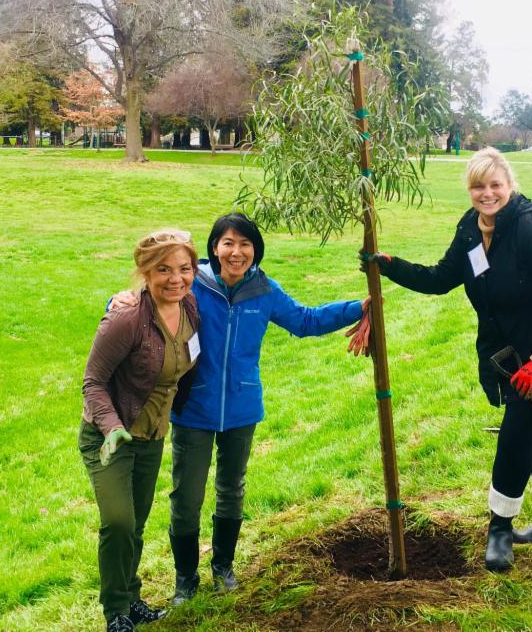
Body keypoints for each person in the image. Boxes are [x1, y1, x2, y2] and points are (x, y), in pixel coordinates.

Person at [361, 147, 532, 572]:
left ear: (510, 185)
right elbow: (441, 278)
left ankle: (500, 529)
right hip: (512, 354)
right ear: (469, 189)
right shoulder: (471, 229)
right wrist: (390, 266)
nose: (487, 194)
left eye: (495, 185)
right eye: (478, 186)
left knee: (515, 436)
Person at [113, 212, 369, 603]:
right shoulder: (192, 284)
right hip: (193, 408)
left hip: (242, 408)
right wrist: (122, 298)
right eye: (227, 243)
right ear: (214, 248)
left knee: (231, 490)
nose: (236, 251)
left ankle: (223, 568)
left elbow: (305, 320)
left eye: (245, 244)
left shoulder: (264, 290)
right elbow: (148, 297)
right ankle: (186, 579)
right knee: (187, 497)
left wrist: (358, 307)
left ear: (255, 250)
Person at [80, 229, 201, 632]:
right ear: (145, 272)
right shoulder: (128, 315)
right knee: (118, 521)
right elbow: (93, 381)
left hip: (152, 434)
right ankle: (116, 611)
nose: (175, 278)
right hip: (111, 437)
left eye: (184, 268)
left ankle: (132, 600)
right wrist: (111, 427)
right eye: (163, 269)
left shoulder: (190, 309)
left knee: (136, 523)